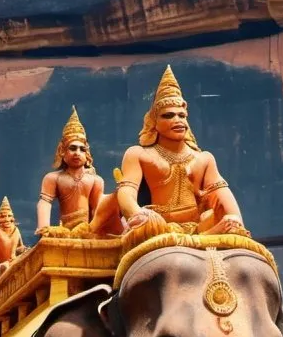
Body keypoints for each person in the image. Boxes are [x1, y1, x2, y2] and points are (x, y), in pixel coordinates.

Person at [101, 64, 247, 236]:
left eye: (182, 115)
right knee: (146, 225)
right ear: (154, 121)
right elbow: (127, 192)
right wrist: (137, 213)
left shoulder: (203, 159)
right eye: (168, 115)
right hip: (159, 225)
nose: (177, 120)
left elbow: (220, 193)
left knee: (221, 218)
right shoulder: (139, 154)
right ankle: (196, 239)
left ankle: (201, 237)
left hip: (198, 224)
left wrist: (234, 219)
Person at [36, 107, 104, 236]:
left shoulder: (96, 180)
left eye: (82, 149)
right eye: (72, 148)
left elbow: (97, 209)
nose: (77, 153)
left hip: (87, 230)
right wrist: (43, 228)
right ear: (62, 151)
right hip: (64, 230)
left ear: (87, 153)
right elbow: (45, 203)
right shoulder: (53, 178)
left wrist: (98, 231)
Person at [0, 197, 25, 285]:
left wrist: (23, 250)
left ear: (12, 217)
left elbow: (20, 248)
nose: (6, 219)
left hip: (13, 262)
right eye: (3, 216)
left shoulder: (16, 230)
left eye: (9, 216)